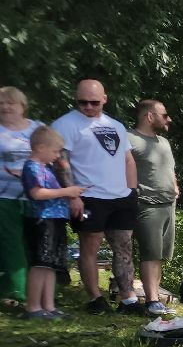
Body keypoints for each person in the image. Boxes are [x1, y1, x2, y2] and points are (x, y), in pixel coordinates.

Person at [52, 79, 140, 313]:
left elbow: (128, 160)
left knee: (124, 246)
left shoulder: (116, 125)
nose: (88, 107)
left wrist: (132, 191)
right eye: (83, 102)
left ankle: (128, 299)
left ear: (104, 99)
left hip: (121, 196)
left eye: (94, 102)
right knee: (90, 245)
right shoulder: (65, 124)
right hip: (89, 195)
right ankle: (95, 298)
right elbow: (61, 162)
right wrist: (72, 196)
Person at [20, 126, 85, 319]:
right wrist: (67, 192)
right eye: (55, 151)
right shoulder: (32, 167)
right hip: (42, 220)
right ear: (41, 147)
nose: (57, 156)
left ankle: (48, 306)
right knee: (40, 263)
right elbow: (37, 193)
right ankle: (33, 306)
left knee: (51, 264)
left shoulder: (46, 168)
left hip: (55, 219)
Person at [126, 99, 179, 314]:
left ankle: (156, 299)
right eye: (164, 115)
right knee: (150, 253)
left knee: (159, 255)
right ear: (149, 116)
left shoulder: (163, 142)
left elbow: (170, 169)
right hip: (146, 204)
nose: (168, 119)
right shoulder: (129, 139)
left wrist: (175, 187)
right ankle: (152, 300)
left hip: (168, 204)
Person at [0, 86, 43, 308]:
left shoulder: (38, 129)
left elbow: (54, 155)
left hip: (38, 195)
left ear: (23, 106)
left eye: (10, 103)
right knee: (12, 241)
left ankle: (38, 291)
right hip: (4, 196)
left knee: (34, 242)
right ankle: (19, 293)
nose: (5, 107)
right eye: (1, 104)